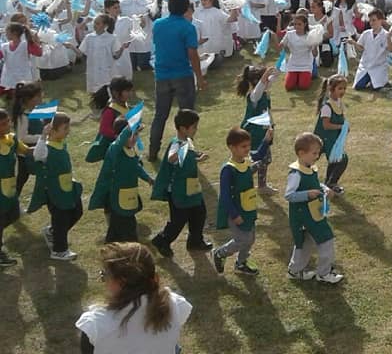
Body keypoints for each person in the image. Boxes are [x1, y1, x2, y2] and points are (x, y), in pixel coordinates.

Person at [76, 242, 192, 354]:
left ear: (120, 282)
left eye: (104, 275)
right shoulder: (174, 303)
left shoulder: (95, 325)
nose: (104, 281)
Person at [148, 0, 205, 163]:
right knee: (187, 116)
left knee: (160, 115)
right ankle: (187, 151)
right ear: (186, 7)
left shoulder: (158, 24)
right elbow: (192, 54)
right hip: (182, 74)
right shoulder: (188, 27)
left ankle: (153, 150)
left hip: (162, 74)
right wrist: (200, 77)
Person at [149, 109, 213, 257]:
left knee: (199, 213)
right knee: (178, 220)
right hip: (178, 191)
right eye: (194, 127)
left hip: (191, 187)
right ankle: (162, 240)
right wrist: (176, 154)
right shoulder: (176, 143)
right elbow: (172, 158)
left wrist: (197, 158)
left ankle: (195, 241)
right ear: (183, 128)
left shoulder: (188, 141)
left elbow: (186, 158)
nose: (196, 130)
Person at [212, 126, 273, 276]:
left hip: (249, 208)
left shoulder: (245, 161)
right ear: (232, 147)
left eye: (248, 145)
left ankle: (241, 263)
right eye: (243, 146)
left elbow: (258, 154)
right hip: (237, 211)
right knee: (242, 239)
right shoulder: (228, 169)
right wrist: (234, 215)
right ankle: (220, 253)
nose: (247, 149)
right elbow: (225, 196)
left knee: (250, 238)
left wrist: (266, 140)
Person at [285, 132, 344, 284]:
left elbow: (315, 185)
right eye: (314, 153)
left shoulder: (310, 168)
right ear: (301, 153)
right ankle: (323, 274)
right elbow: (289, 195)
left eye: (318, 153)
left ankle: (294, 270)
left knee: (306, 243)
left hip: (313, 213)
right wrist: (307, 194)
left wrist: (324, 189)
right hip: (303, 216)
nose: (317, 156)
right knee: (326, 239)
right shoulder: (295, 173)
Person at [26, 112, 82, 261]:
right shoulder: (46, 148)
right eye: (65, 128)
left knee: (77, 211)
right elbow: (37, 155)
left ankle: (52, 232)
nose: (68, 130)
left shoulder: (61, 143)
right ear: (52, 130)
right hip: (55, 192)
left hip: (67, 186)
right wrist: (43, 136)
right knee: (61, 218)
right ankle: (59, 250)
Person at [88, 120, 154, 243]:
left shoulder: (130, 150)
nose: (134, 138)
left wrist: (148, 178)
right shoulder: (114, 150)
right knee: (127, 227)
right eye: (130, 135)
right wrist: (129, 128)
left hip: (129, 194)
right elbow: (119, 143)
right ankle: (131, 249)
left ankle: (112, 246)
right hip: (117, 197)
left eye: (136, 135)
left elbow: (136, 167)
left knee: (117, 228)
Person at [237, 65, 277, 193]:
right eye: (265, 79)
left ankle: (262, 185)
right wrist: (265, 75)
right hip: (254, 133)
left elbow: (273, 78)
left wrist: (280, 64)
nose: (268, 82)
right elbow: (261, 85)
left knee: (266, 159)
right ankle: (241, 179)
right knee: (257, 160)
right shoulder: (254, 96)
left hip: (264, 132)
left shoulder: (264, 92)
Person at [0, 109, 30, 267]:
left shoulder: (11, 139)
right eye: (2, 124)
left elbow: (25, 150)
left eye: (7, 123)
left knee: (13, 215)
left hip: (10, 186)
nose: (7, 126)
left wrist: (45, 147)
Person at [313, 74, 350, 193]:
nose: (343, 91)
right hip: (324, 138)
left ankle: (330, 182)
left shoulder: (339, 102)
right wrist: (341, 126)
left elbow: (341, 117)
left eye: (344, 88)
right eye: (340, 88)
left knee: (337, 159)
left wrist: (345, 126)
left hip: (334, 138)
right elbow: (326, 125)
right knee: (341, 159)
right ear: (331, 89)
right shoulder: (327, 107)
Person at [86, 78, 134, 163]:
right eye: (127, 91)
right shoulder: (110, 111)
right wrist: (119, 137)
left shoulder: (125, 106)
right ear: (116, 93)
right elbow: (104, 130)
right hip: (115, 146)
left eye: (130, 91)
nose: (130, 94)